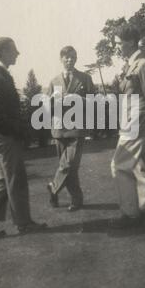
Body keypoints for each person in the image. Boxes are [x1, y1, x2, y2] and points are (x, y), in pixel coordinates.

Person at [0, 37, 46, 239]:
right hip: (3, 135)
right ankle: (24, 224)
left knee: (2, 179)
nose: (18, 53)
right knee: (16, 178)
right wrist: (18, 131)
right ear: (4, 52)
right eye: (14, 50)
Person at [110, 26, 145, 228]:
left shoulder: (143, 64)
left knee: (119, 165)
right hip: (131, 121)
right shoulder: (130, 65)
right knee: (143, 166)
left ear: (131, 42)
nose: (117, 47)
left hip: (137, 121)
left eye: (118, 42)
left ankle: (131, 213)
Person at [47, 46, 94, 211]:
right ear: (61, 59)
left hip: (77, 129)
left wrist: (77, 98)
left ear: (76, 58)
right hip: (59, 129)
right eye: (66, 58)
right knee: (70, 168)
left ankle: (54, 187)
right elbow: (47, 109)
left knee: (69, 164)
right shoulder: (53, 81)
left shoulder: (85, 78)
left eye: (73, 57)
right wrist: (52, 100)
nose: (70, 60)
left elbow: (93, 103)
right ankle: (76, 200)